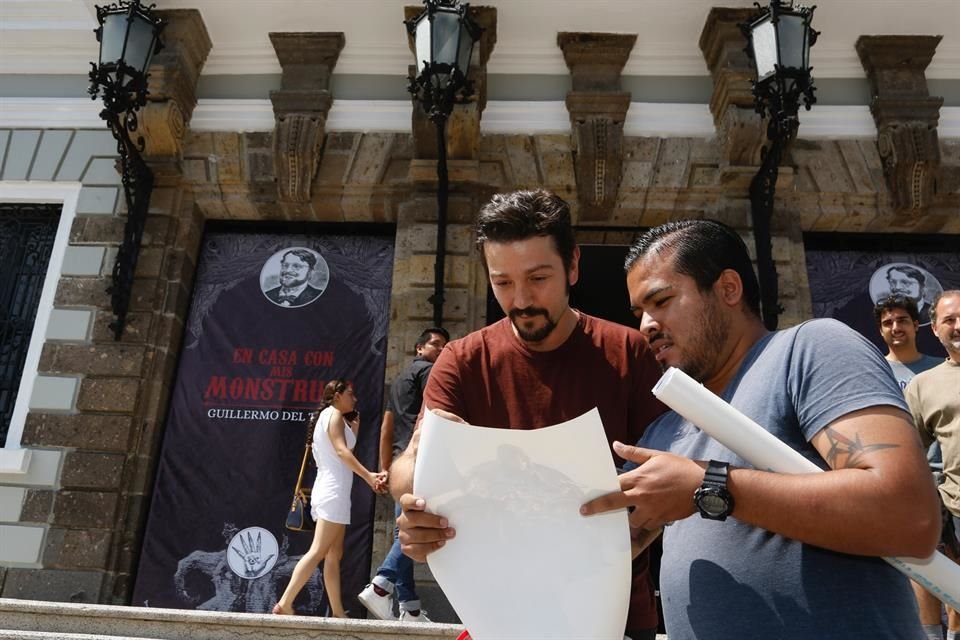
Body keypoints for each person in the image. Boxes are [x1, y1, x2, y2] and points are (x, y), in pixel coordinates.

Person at [580, 219, 940, 640]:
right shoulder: (665, 432)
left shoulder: (809, 350)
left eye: (660, 301)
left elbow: (908, 516)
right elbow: (595, 541)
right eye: (639, 312)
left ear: (729, 289)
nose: (645, 326)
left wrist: (708, 487)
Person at [390, 189, 666, 640]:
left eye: (538, 278)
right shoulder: (461, 359)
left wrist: (627, 538)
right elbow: (408, 468)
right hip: (496, 617)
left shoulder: (629, 352)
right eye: (502, 283)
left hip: (612, 615)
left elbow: (665, 482)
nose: (521, 300)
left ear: (573, 266)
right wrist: (415, 505)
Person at [358, 327, 449, 622]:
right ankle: (382, 585)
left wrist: (386, 468)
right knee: (417, 528)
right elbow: (437, 416)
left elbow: (387, 426)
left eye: (444, 346)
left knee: (405, 531)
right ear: (419, 348)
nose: (440, 350)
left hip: (400, 463)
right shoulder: (431, 373)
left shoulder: (398, 381)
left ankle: (408, 607)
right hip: (419, 460)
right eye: (435, 344)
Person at [273, 379, 386, 617]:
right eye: (350, 394)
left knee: (334, 554)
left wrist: (353, 429)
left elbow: (343, 450)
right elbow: (341, 451)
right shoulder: (333, 414)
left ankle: (337, 612)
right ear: (336, 395)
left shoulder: (333, 417)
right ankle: (285, 603)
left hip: (334, 492)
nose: (354, 398)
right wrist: (369, 476)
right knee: (318, 551)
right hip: (332, 492)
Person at [874, 293, 946, 636]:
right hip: (910, 482)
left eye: (902, 320)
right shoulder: (874, 370)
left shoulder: (939, 367)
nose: (895, 327)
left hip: (950, 481)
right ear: (880, 330)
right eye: (887, 323)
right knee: (923, 564)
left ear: (916, 326)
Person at [905, 290, 960, 640]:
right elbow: (908, 452)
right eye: (949, 320)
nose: (958, 326)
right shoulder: (923, 386)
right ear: (935, 329)